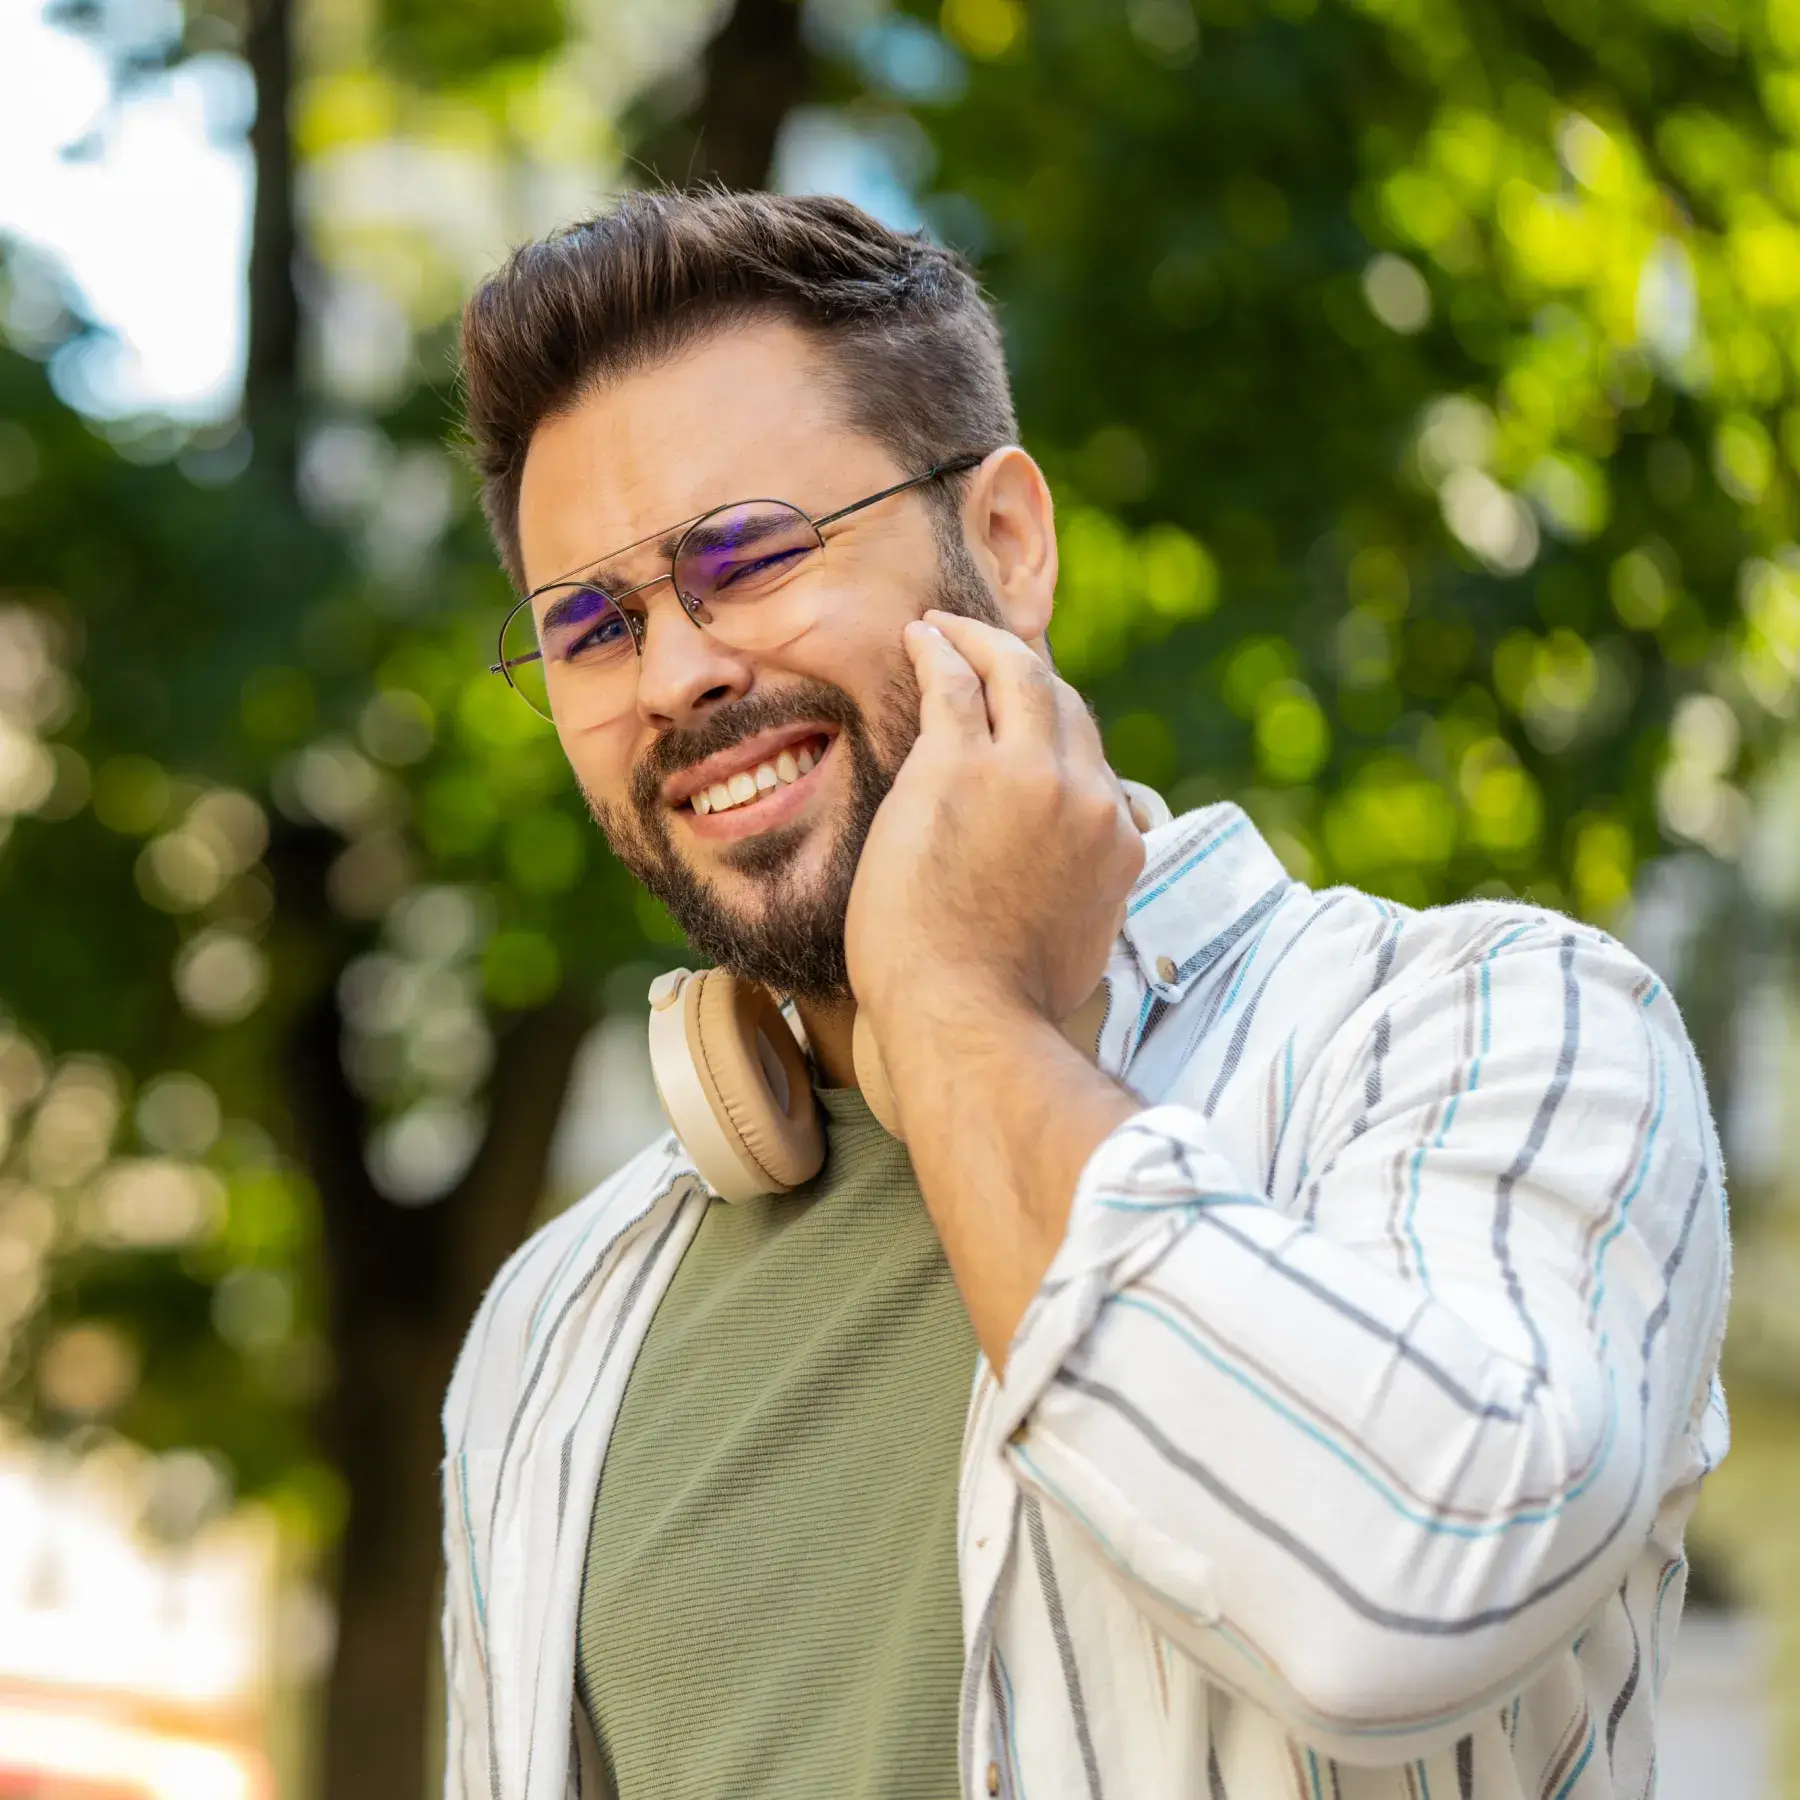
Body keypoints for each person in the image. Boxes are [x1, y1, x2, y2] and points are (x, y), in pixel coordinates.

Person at [440, 189, 1730, 1800]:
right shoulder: (552, 1331)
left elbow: (1409, 1588)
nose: (677, 672)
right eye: (592, 625)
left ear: (1005, 542)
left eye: (749, 552)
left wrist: (959, 1011)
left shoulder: (1498, 1029)